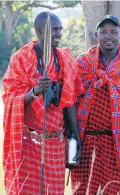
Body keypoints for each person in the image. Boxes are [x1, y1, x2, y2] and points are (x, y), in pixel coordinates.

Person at [2, 11, 83, 194]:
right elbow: (10, 99)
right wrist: (35, 92)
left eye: (60, 30)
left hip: (55, 141)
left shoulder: (65, 59)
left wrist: (75, 134)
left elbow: (69, 101)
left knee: (53, 190)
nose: (59, 34)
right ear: (39, 31)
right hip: (29, 142)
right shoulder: (21, 59)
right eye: (54, 30)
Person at [70, 15, 120, 195]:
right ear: (96, 35)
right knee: (83, 190)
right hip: (86, 142)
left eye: (113, 31)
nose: (108, 36)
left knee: (115, 191)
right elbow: (71, 101)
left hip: (118, 144)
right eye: (103, 32)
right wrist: (73, 139)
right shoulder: (83, 63)